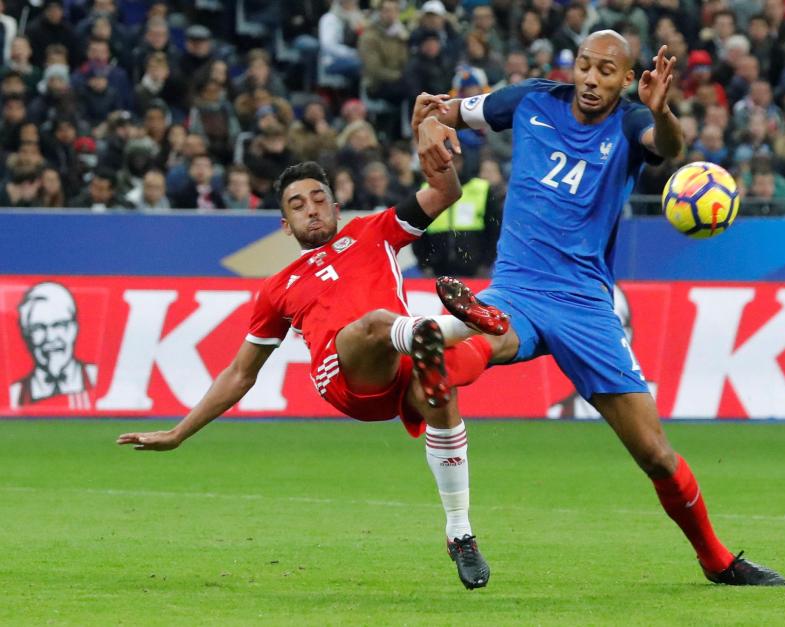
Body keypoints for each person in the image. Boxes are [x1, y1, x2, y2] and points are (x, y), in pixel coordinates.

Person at [413, 31, 785, 585]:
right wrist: (428, 120)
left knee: (655, 454)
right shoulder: (530, 100)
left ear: (625, 79)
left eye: (607, 71)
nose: (592, 79)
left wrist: (663, 112)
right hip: (517, 287)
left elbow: (670, 148)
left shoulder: (634, 123)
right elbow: (442, 110)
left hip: (587, 306)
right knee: (483, 339)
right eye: (586, 66)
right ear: (575, 67)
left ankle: (716, 559)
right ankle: (435, 375)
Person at [117, 117, 511, 591]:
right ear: (286, 225)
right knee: (375, 326)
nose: (311, 210)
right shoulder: (278, 288)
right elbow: (241, 373)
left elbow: (445, 193)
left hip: (404, 362)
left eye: (319, 199)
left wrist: (435, 147)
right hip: (346, 375)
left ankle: (460, 532)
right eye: (298, 205)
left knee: (485, 356)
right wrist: (181, 432)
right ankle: (453, 324)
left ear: (337, 207)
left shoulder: (376, 231)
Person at [10, 282, 97, 410]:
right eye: (38, 328)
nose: (50, 338)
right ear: (26, 334)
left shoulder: (100, 380)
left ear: (73, 328)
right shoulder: (14, 395)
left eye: (58, 325)